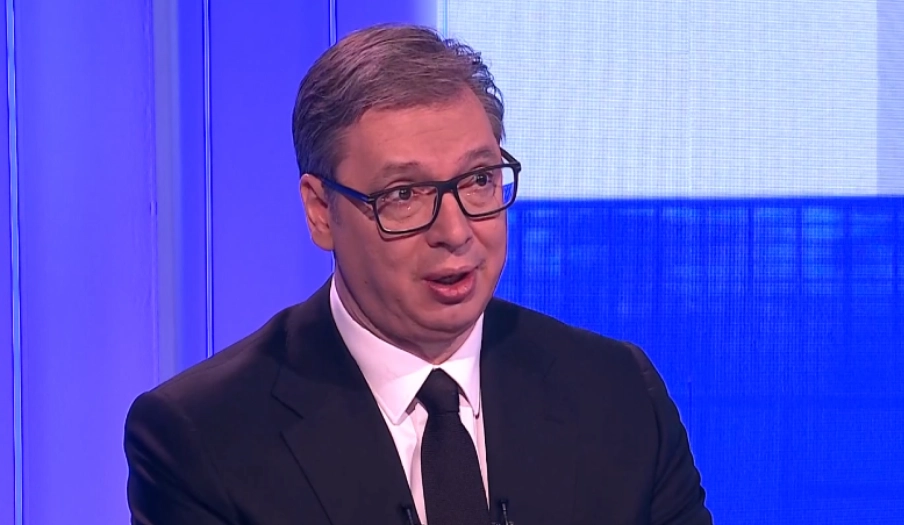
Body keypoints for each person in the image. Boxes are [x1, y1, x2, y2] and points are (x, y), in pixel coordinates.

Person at [124, 23, 712, 525]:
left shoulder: (618, 395)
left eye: (479, 180)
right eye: (404, 194)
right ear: (321, 211)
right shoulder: (202, 437)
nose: (455, 231)